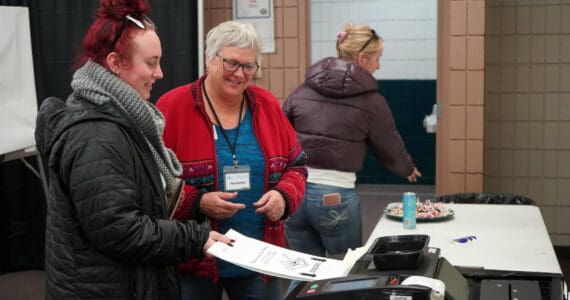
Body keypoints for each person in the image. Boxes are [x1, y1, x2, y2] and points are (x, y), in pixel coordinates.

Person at [34, 1, 232, 299]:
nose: (160, 73)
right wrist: (195, 238)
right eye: (151, 63)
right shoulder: (96, 135)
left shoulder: (120, 118)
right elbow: (119, 230)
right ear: (115, 63)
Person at [155, 21, 307, 300]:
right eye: (232, 63)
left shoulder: (267, 105)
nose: (240, 74)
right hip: (193, 260)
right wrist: (198, 202)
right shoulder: (171, 107)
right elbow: (154, 180)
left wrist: (283, 196)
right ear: (209, 59)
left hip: (259, 261)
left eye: (249, 66)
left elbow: (296, 166)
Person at [283, 23, 422, 259]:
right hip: (334, 196)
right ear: (361, 58)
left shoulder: (301, 91)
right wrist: (406, 168)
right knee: (344, 270)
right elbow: (387, 141)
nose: (378, 65)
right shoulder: (372, 101)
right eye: (377, 58)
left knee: (302, 270)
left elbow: (279, 133)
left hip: (292, 192)